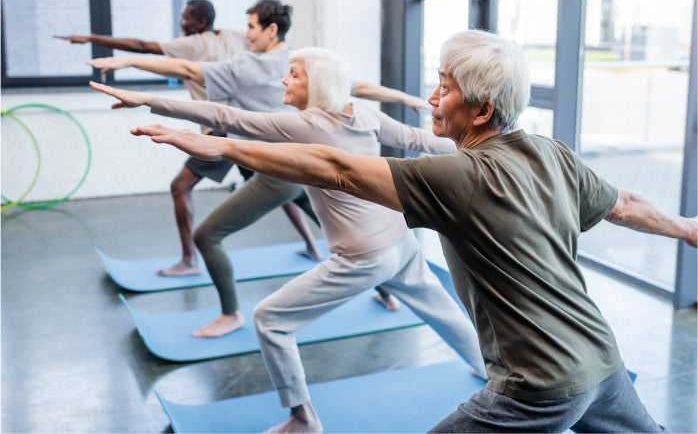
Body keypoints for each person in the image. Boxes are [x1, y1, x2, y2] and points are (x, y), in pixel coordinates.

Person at [124, 30, 696, 433]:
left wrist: (220, 145)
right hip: (600, 359)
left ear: (481, 110)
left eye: (444, 88)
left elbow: (338, 169)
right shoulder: (552, 153)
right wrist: (688, 230)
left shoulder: (460, 175)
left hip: (536, 386)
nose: (430, 99)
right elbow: (624, 203)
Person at [91, 45, 487, 433]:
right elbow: (421, 140)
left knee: (269, 319)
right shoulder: (361, 111)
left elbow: (227, 116)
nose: (284, 78)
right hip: (400, 242)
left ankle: (303, 419)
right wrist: (484, 153)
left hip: (362, 256)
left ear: (317, 83)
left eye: (294, 73)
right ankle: (488, 371)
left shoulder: (306, 124)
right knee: (443, 311)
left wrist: (145, 100)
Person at [87, 1, 420, 334]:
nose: (245, 35)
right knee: (329, 222)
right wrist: (404, 98)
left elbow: (187, 70)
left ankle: (230, 314)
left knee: (208, 236)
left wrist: (129, 61)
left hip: (278, 172)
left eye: (251, 27)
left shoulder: (246, 65)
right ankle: (386, 291)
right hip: (308, 167)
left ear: (271, 30)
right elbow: (359, 86)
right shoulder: (307, 63)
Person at [57, 0, 323, 274]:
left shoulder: (194, 44)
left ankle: (189, 260)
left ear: (200, 23)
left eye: (186, 18)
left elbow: (145, 47)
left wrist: (95, 41)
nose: (181, 22)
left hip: (222, 128)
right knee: (279, 187)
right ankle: (314, 245)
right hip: (244, 126)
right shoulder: (237, 37)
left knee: (180, 186)